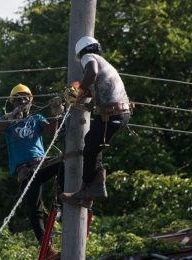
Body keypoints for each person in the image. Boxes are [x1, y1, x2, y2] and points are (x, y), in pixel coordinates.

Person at [0, 83, 64, 260]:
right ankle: (48, 251)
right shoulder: (8, 121)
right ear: (12, 102)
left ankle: (64, 199)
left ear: (31, 101)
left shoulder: (37, 118)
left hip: (42, 163)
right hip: (26, 170)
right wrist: (11, 116)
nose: (22, 102)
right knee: (35, 209)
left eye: (25, 99)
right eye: (18, 99)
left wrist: (57, 113)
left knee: (66, 162)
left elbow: (51, 131)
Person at [60, 36, 131, 207]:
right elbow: (94, 89)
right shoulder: (104, 62)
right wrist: (75, 93)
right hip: (118, 112)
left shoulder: (88, 58)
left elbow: (91, 73)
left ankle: (87, 190)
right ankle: (88, 193)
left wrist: (75, 93)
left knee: (90, 148)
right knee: (93, 146)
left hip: (111, 113)